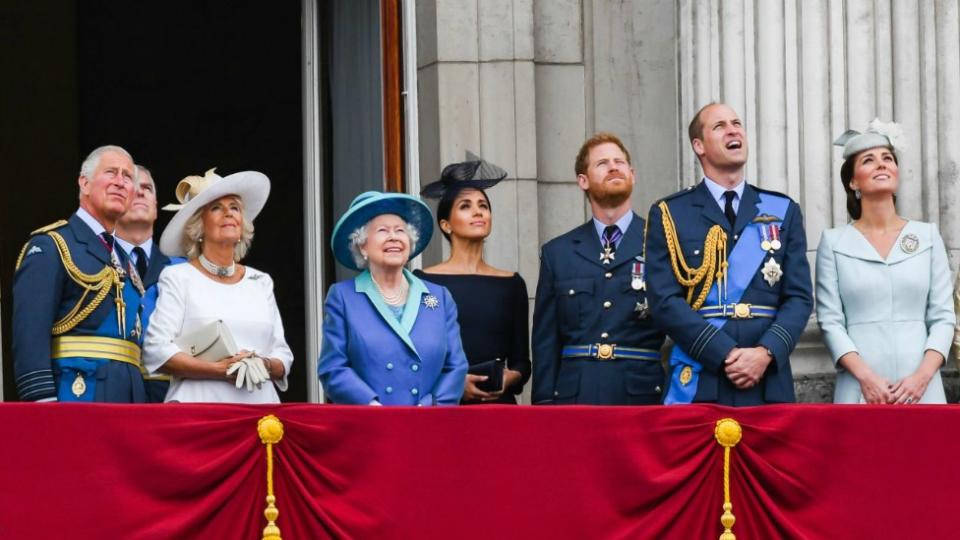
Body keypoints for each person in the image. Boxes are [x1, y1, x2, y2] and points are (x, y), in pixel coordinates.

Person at [645, 103, 813, 406]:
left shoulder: (782, 210)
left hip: (767, 379)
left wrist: (765, 353)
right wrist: (723, 352)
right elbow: (664, 300)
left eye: (737, 123)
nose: (733, 129)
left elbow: (799, 298)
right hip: (702, 375)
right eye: (719, 126)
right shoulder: (670, 213)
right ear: (699, 145)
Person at [816, 120, 956, 404]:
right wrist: (866, 378)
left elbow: (943, 317)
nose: (881, 165)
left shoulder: (926, 236)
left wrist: (921, 379)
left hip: (921, 388)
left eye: (888, 158)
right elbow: (830, 321)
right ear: (853, 182)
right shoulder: (833, 243)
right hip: (860, 387)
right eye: (869, 160)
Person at [532, 133, 665, 405]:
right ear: (583, 180)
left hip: (643, 396)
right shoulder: (558, 253)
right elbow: (546, 340)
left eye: (620, 162)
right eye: (602, 163)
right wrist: (544, 407)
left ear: (632, 174)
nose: (614, 167)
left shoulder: (661, 243)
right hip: (576, 398)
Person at [142, 168, 293, 403]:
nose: (228, 213)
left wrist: (262, 364)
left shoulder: (261, 282)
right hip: (199, 410)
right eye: (216, 208)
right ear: (198, 227)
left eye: (234, 207)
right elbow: (156, 351)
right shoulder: (178, 277)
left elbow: (283, 357)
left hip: (260, 413)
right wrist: (221, 370)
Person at [12, 145, 147, 402]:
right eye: (111, 172)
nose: (120, 182)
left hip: (130, 398)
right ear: (84, 183)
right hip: (77, 393)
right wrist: (41, 401)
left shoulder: (125, 257)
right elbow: (30, 332)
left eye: (128, 177)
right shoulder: (52, 245)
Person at [318, 191, 468, 405]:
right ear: (363, 245)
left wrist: (430, 406)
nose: (394, 237)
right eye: (382, 230)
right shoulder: (343, 297)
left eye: (400, 230)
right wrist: (372, 406)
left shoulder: (439, 297)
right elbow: (333, 367)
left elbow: (456, 366)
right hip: (370, 424)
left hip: (429, 423)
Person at [416, 155, 531, 404]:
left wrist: (509, 378)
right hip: (445, 408)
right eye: (465, 206)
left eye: (483, 205)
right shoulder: (423, 282)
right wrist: (454, 384)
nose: (478, 211)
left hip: (499, 410)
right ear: (446, 225)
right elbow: (417, 357)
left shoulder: (512, 283)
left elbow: (522, 361)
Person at [115, 165, 172, 402]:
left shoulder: (182, 269)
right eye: (132, 187)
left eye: (147, 188)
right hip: (113, 392)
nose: (140, 193)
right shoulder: (93, 261)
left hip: (170, 394)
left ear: (156, 208)